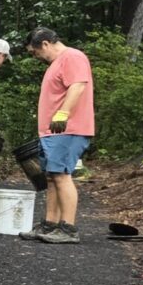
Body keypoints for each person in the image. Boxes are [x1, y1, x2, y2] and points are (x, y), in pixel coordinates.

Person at [18, 27, 93, 244]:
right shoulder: (56, 63)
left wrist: (63, 113)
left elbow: (78, 86)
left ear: (45, 44)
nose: (36, 57)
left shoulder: (72, 56)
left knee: (61, 175)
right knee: (51, 176)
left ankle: (68, 229)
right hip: (52, 132)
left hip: (68, 129)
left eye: (35, 52)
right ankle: (50, 224)